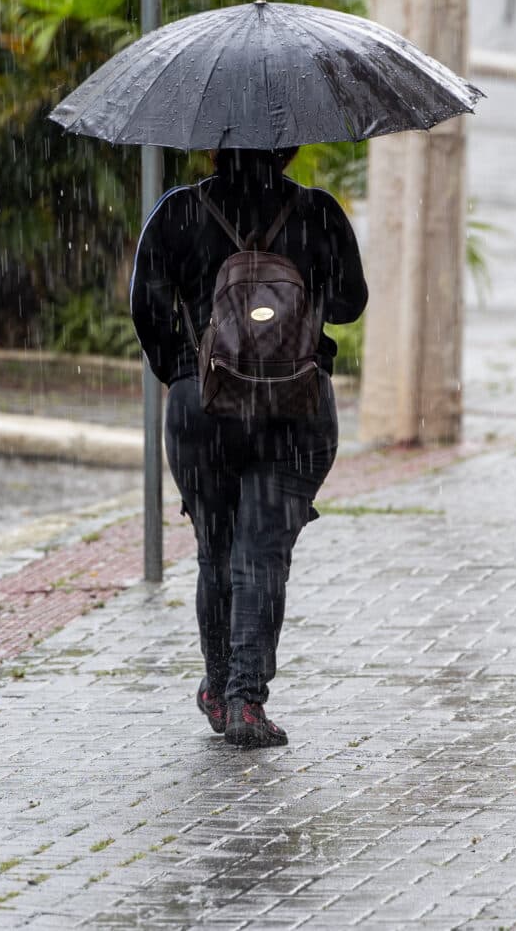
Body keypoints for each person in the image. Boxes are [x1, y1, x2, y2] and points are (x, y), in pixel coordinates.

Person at [129, 147, 368, 748]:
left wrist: (187, 373)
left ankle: (218, 686)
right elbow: (350, 303)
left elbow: (147, 310)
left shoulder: (176, 211)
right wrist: (290, 313)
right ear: (290, 147)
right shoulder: (317, 212)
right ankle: (246, 702)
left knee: (216, 549)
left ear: (210, 143)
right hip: (296, 407)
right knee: (261, 552)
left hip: (201, 407)